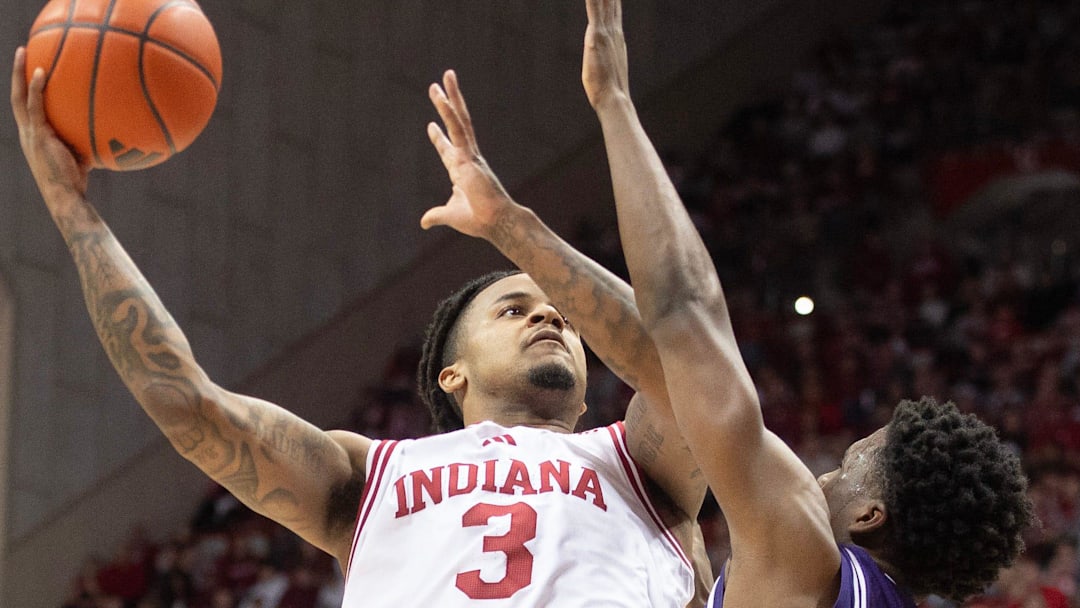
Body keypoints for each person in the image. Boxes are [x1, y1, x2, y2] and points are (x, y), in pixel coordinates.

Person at [9, 14, 709, 605]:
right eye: (514, 309)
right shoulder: (368, 475)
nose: (550, 317)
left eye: (561, 313)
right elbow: (187, 404)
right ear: (451, 375)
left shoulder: (643, 462)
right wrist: (75, 216)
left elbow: (690, 352)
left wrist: (511, 226)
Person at [421, 0, 1035, 605]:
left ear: (870, 515)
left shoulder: (806, 554)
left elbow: (684, 319)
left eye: (847, 468)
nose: (821, 475)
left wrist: (613, 105)